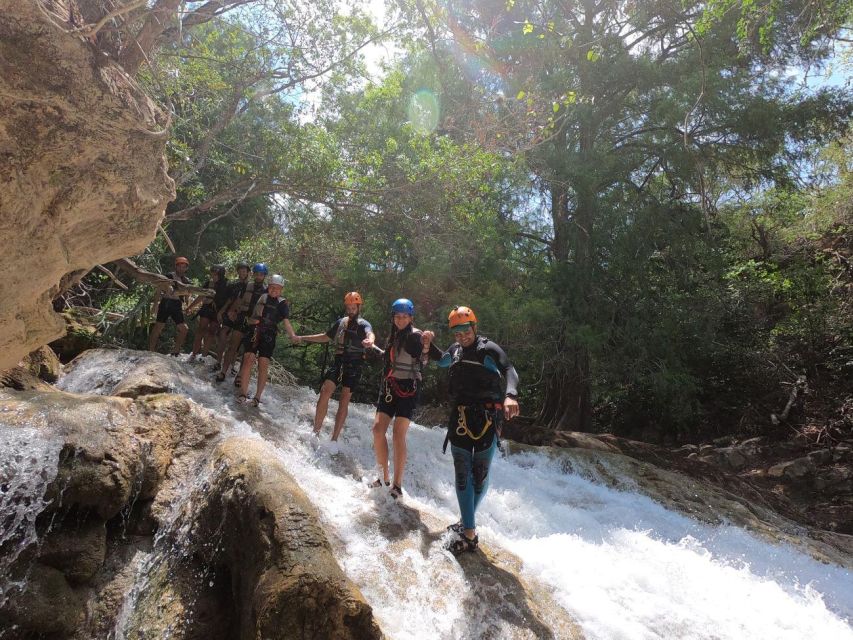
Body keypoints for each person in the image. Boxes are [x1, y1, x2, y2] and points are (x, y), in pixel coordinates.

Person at [437, 306, 519, 555]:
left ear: (474, 326)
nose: (462, 336)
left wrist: (511, 395)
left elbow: (509, 371)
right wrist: (427, 345)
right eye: (457, 332)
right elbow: (441, 361)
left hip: (488, 417)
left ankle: (466, 523)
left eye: (465, 330)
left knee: (479, 474)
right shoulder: (455, 351)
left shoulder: (489, 349)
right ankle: (470, 533)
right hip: (461, 417)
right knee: (463, 473)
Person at [369, 298, 441, 499]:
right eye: (397, 317)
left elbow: (427, 356)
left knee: (398, 434)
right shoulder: (394, 336)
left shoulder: (415, 336)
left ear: (411, 318)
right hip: (390, 387)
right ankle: (382, 478)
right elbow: (389, 359)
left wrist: (427, 343)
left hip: (409, 389)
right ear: (393, 318)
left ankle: (397, 485)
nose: (401, 320)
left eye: (404, 317)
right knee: (377, 430)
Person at [297, 292, 376, 441]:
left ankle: (334, 438)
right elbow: (325, 337)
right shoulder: (341, 322)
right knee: (325, 391)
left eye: (354, 307)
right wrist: (303, 338)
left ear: (359, 307)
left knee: (344, 400)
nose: (351, 310)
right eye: (349, 307)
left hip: (354, 364)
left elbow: (370, 333)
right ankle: (316, 432)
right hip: (339, 361)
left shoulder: (364, 324)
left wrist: (370, 341)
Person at [236, 274, 298, 406]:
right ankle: (243, 393)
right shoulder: (262, 297)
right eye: (271, 287)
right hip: (255, 331)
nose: (274, 290)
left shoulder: (282, 304)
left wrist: (292, 335)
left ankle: (257, 397)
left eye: (277, 288)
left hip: (269, 335)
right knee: (248, 359)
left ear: (281, 289)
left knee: (263, 364)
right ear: (268, 287)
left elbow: (286, 321)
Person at [216, 262, 268, 383]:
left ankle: (240, 375)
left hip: (255, 321)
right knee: (233, 345)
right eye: (257, 274)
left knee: (247, 350)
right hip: (242, 317)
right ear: (253, 274)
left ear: (264, 275)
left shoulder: (266, 290)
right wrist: (233, 311)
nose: (259, 276)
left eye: (261, 274)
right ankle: (223, 371)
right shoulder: (247, 286)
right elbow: (239, 299)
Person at [148, 256, 192, 355]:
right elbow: (159, 288)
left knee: (184, 329)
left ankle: (175, 351)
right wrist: (155, 304)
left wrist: (188, 306)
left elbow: (187, 295)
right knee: (158, 327)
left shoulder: (186, 280)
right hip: (166, 303)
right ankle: (150, 351)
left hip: (177, 305)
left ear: (186, 268)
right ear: (176, 267)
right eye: (179, 266)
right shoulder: (169, 276)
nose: (181, 268)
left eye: (183, 267)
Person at [212, 261, 250, 371]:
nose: (242, 273)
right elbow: (228, 300)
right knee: (223, 333)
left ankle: (232, 365)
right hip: (230, 313)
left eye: (244, 271)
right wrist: (221, 312)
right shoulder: (233, 285)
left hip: (242, 315)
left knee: (236, 341)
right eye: (240, 270)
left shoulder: (251, 286)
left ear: (248, 272)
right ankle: (218, 361)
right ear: (238, 272)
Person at [186, 264, 229, 361]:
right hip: (206, 309)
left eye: (215, 275)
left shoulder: (227, 285)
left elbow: (229, 300)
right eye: (212, 274)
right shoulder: (209, 283)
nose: (213, 276)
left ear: (220, 275)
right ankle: (194, 353)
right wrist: (190, 307)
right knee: (201, 329)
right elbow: (201, 296)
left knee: (211, 332)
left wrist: (223, 312)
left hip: (218, 311)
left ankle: (203, 356)